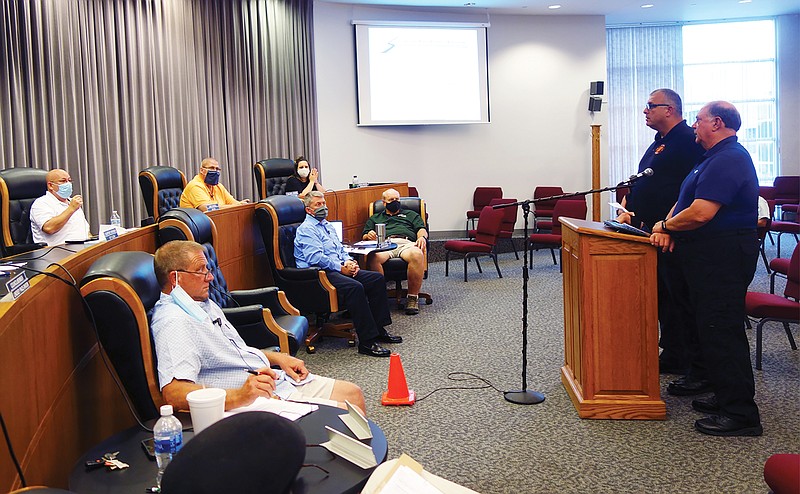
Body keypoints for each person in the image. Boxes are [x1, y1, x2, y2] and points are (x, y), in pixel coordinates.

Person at [150, 240, 366, 413]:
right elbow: (174, 393)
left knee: (353, 394)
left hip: (269, 381)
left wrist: (278, 358)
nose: (210, 277)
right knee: (344, 414)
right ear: (175, 279)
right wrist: (240, 396)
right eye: (201, 271)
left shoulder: (200, 302)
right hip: (248, 402)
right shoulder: (173, 321)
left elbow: (235, 351)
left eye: (208, 268)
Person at [650, 101, 762, 436]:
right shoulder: (710, 158)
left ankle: (741, 414)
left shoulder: (730, 158)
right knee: (707, 327)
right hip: (706, 255)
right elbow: (685, 201)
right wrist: (668, 223)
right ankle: (721, 391)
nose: (694, 126)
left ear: (716, 123)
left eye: (698, 121)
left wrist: (666, 228)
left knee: (721, 330)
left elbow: (701, 213)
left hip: (723, 256)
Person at [616, 89, 705, 375]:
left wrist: (669, 225)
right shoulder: (661, 141)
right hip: (650, 230)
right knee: (664, 298)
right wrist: (630, 204)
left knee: (679, 298)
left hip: (673, 233)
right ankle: (673, 351)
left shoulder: (688, 142)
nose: (645, 111)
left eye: (651, 106)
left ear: (669, 109)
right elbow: (649, 179)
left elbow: (688, 190)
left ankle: (691, 362)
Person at [294, 191, 402, 357]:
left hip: (335, 268)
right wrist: (340, 267)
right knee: (355, 287)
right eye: (318, 204)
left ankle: (379, 328)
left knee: (376, 279)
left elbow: (340, 249)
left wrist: (350, 262)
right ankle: (366, 342)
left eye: (324, 203)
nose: (323, 207)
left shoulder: (327, 225)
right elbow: (315, 257)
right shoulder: (306, 229)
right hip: (317, 275)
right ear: (309, 210)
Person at [362, 188, 428, 315]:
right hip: (385, 244)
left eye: (397, 199)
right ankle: (380, 298)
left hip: (406, 243)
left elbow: (421, 228)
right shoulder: (375, 218)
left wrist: (421, 237)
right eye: (391, 200)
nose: (395, 202)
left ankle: (412, 298)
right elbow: (365, 235)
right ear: (384, 202)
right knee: (373, 257)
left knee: (417, 254)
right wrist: (368, 235)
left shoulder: (411, 214)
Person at [30, 169, 91, 245]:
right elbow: (49, 228)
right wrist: (71, 209)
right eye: (63, 181)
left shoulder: (72, 202)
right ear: (51, 185)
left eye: (69, 180)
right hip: (56, 252)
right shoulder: (41, 203)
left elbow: (85, 230)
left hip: (82, 249)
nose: (68, 184)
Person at [180, 157, 250, 211]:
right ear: (202, 170)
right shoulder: (195, 186)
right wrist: (238, 205)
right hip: (198, 226)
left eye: (217, 169)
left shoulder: (218, 186)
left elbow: (233, 202)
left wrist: (240, 205)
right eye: (212, 168)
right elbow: (207, 209)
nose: (215, 171)